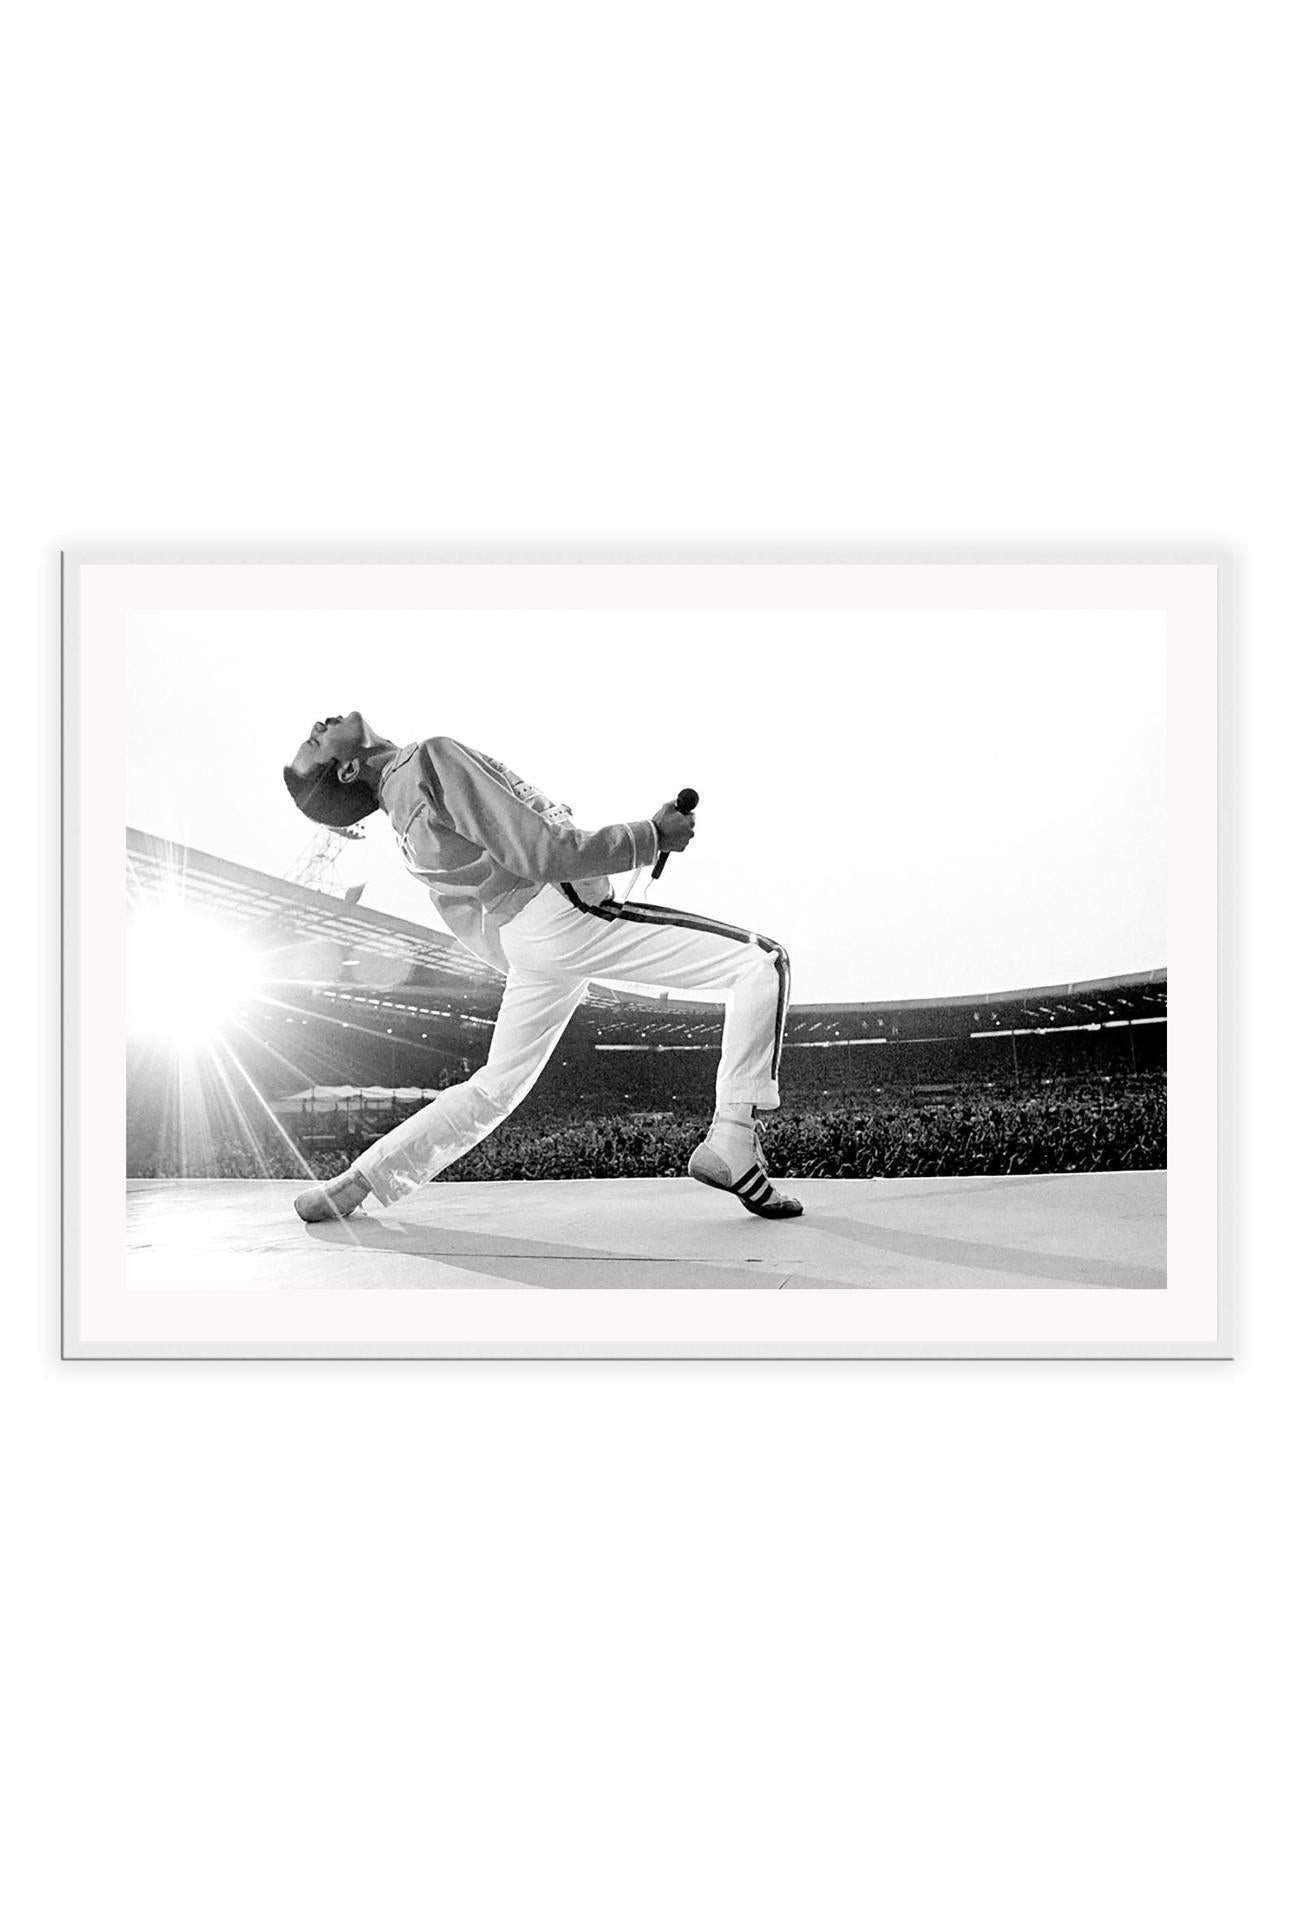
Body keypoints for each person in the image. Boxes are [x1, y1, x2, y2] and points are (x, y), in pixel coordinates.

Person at [282, 711, 801, 1223]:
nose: (320, 723)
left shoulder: (402, 824)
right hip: (559, 912)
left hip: (527, 940)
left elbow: (472, 911)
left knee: (492, 1089)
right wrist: (650, 836)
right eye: (316, 739)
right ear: (348, 771)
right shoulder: (428, 758)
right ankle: (734, 1136)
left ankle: (357, 1181)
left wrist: (534, 947)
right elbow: (541, 851)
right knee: (762, 963)